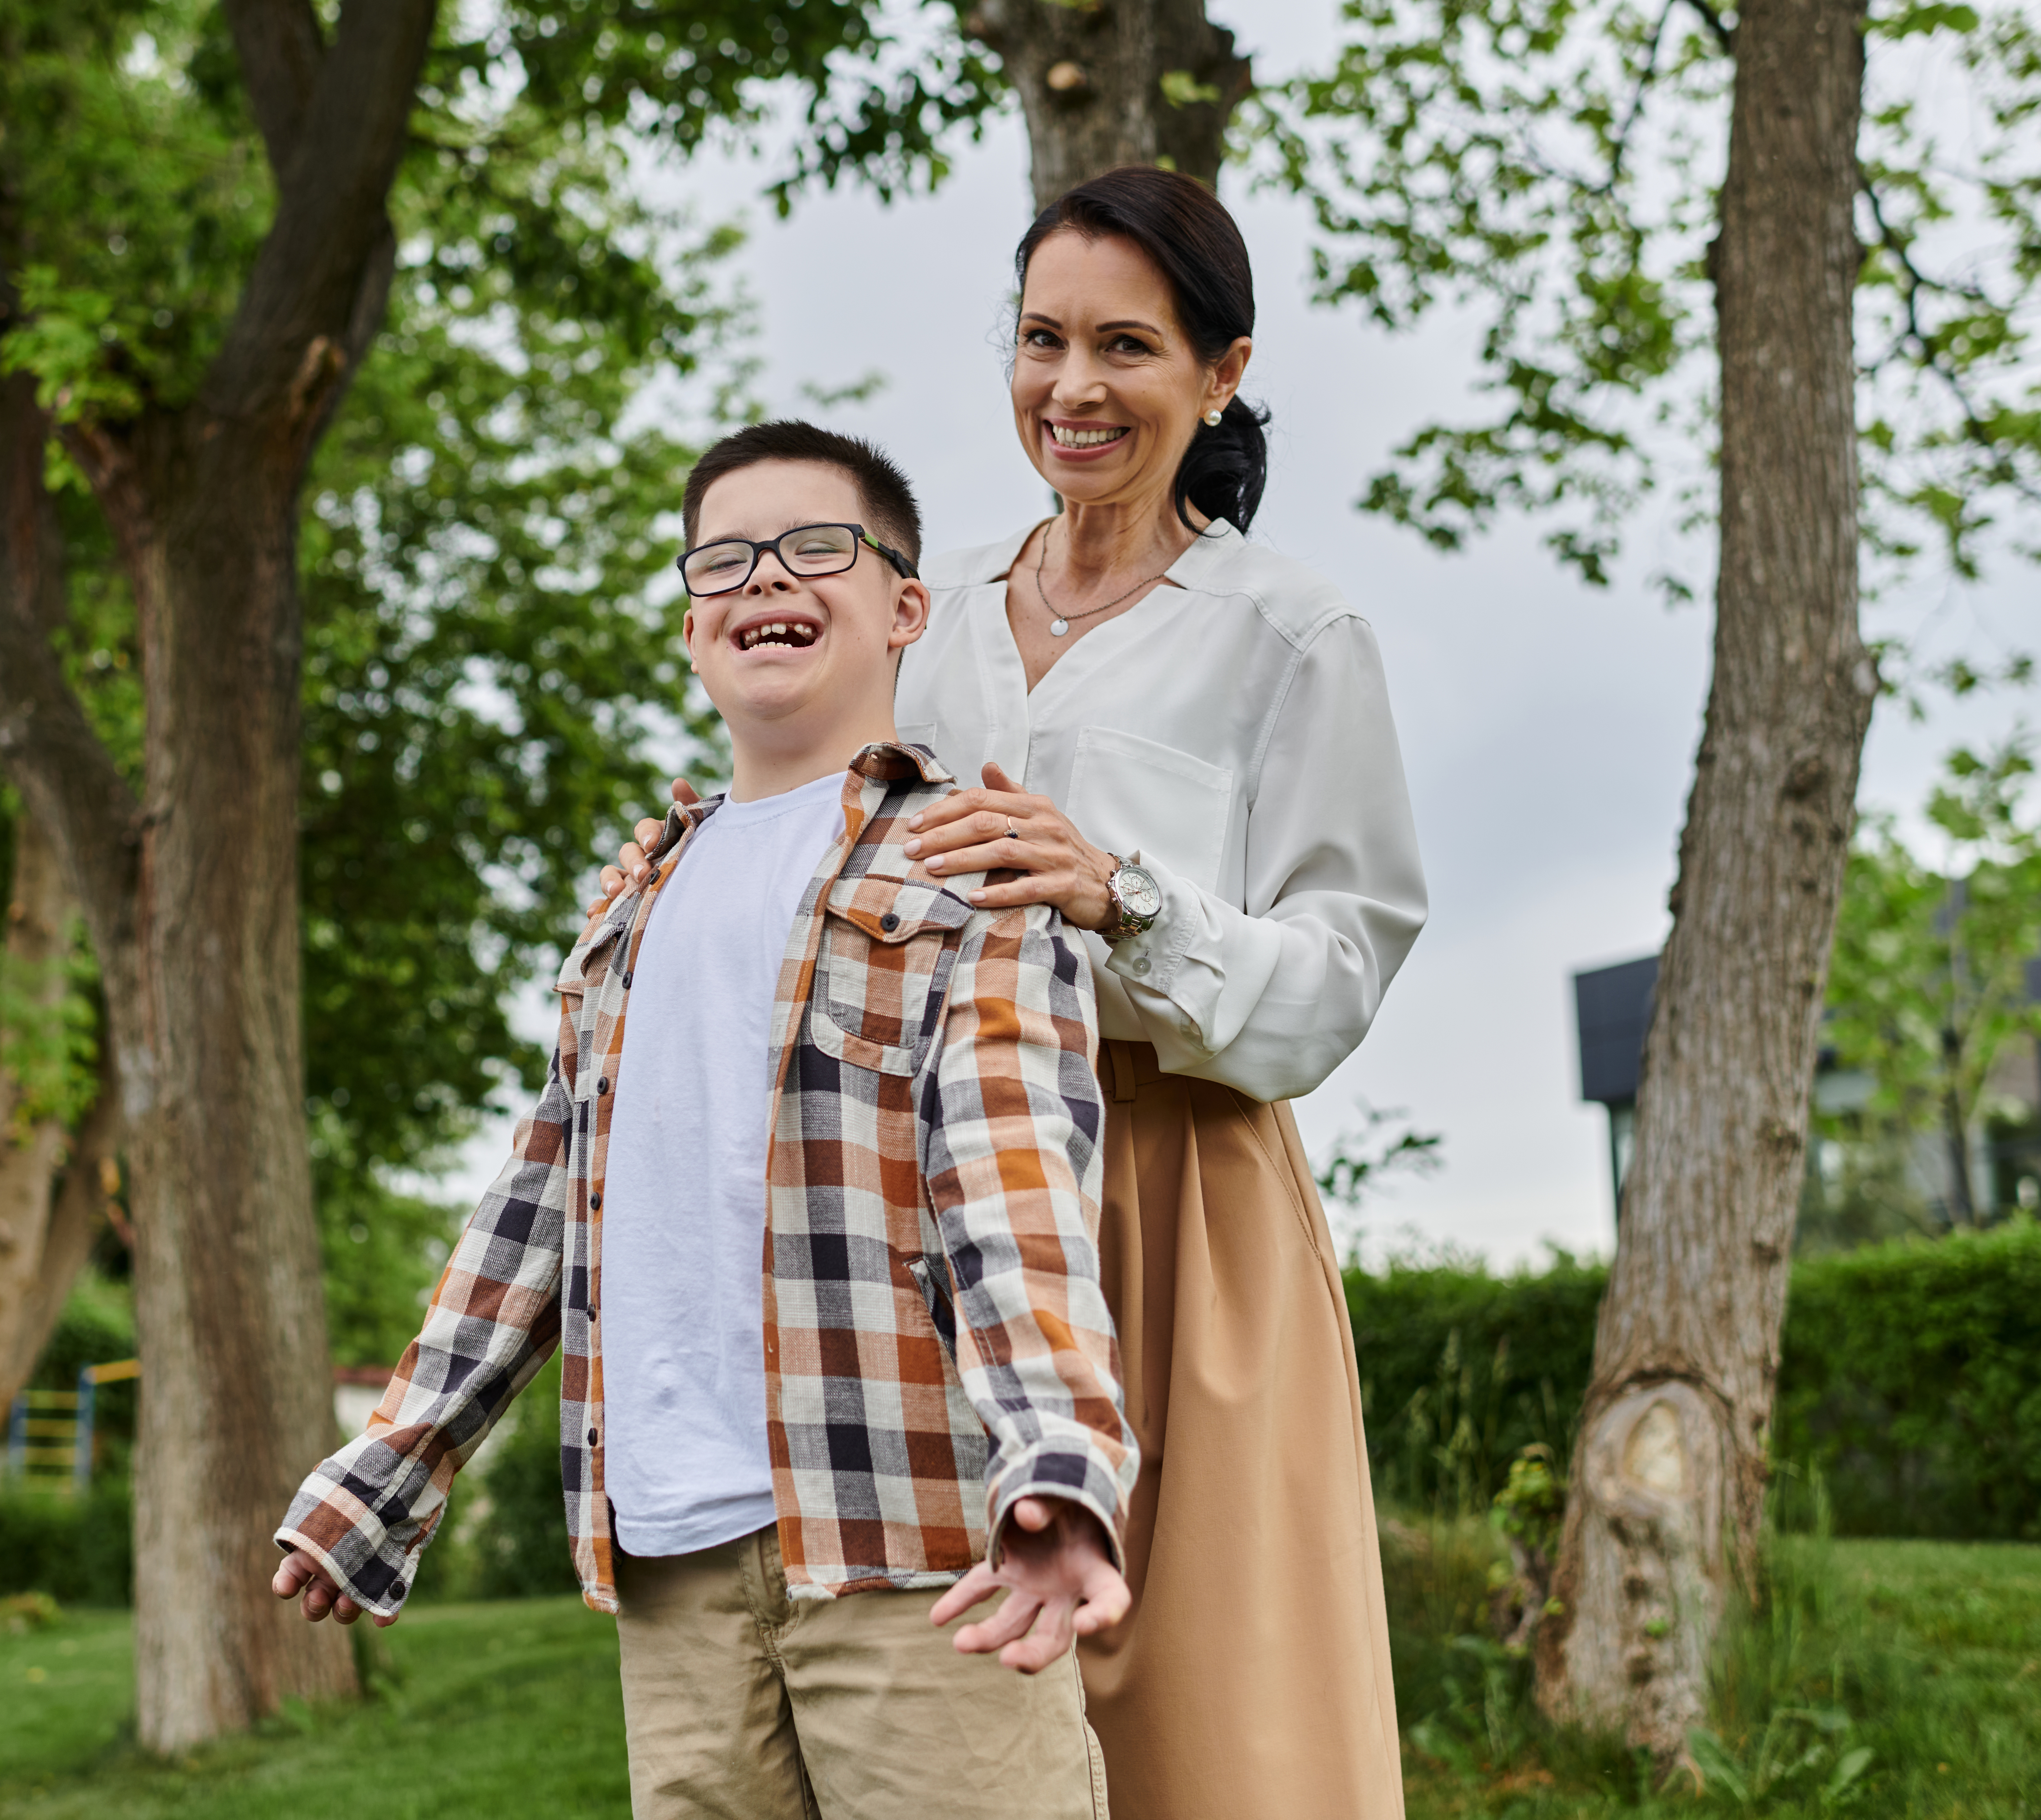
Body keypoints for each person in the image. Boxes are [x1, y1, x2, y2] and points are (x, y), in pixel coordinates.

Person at [599, 171, 1427, 1818]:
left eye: (1127, 346)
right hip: (913, 1217)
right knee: (942, 1705)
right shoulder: (931, 602)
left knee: (1212, 1711)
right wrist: (687, 853)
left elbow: (1341, 976)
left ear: (1224, 370)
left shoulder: (1293, 631)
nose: (1075, 387)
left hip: (1176, 1201)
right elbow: (811, 803)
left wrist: (1121, 896)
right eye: (1043, 340)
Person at [273, 420, 1139, 1820]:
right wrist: (392, 1462)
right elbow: (539, 1209)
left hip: (909, 1551)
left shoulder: (962, 869)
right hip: (670, 1559)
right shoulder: (630, 905)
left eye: (815, 547)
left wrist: (1058, 1460)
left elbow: (1015, 1192)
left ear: (905, 605)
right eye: (724, 558)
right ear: (691, 623)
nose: (764, 580)